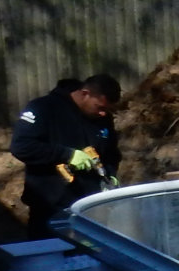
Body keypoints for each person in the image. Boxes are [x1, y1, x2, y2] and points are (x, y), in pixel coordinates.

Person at [10, 73, 123, 237]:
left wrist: (111, 174)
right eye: (100, 107)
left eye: (107, 110)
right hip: (50, 206)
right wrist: (67, 155)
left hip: (90, 208)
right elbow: (22, 146)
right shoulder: (44, 108)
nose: (103, 114)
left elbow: (111, 153)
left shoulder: (102, 119)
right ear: (85, 94)